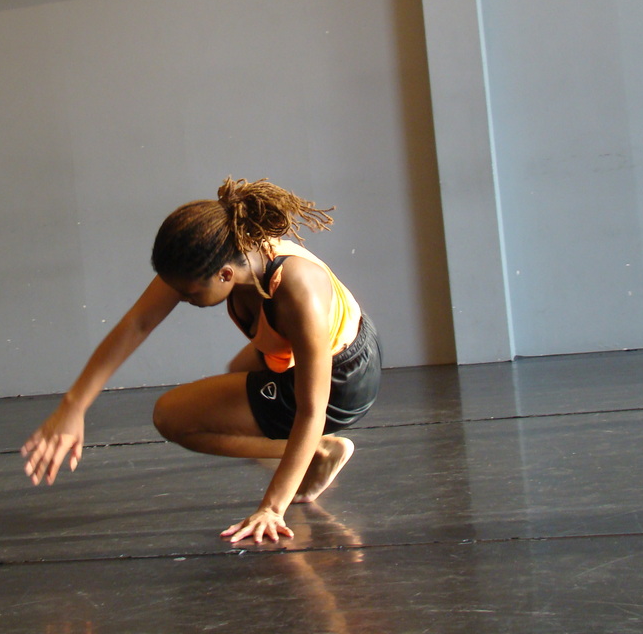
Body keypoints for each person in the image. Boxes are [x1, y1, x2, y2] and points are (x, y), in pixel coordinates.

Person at [21, 177, 382, 544]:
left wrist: (272, 508)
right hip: (310, 349)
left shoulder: (297, 289)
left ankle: (319, 451)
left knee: (173, 417)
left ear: (224, 275)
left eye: (189, 293)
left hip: (345, 378)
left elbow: (312, 409)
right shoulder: (217, 254)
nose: (181, 299)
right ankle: (311, 452)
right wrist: (73, 407)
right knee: (238, 373)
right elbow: (137, 324)